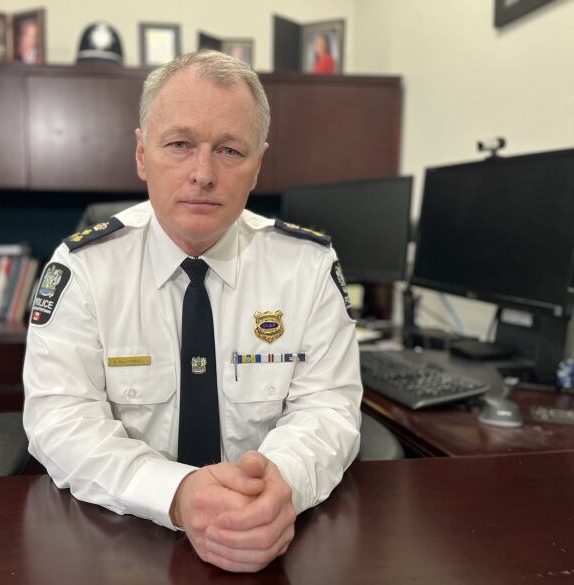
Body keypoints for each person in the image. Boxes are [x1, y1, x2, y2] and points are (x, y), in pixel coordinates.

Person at [23, 50, 361, 573]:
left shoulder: (308, 267)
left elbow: (329, 409)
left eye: (230, 150)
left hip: (272, 539)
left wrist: (279, 486)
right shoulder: (84, 268)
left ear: (258, 165)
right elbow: (60, 418)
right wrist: (177, 494)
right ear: (141, 154)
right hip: (124, 541)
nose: (202, 173)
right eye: (180, 144)